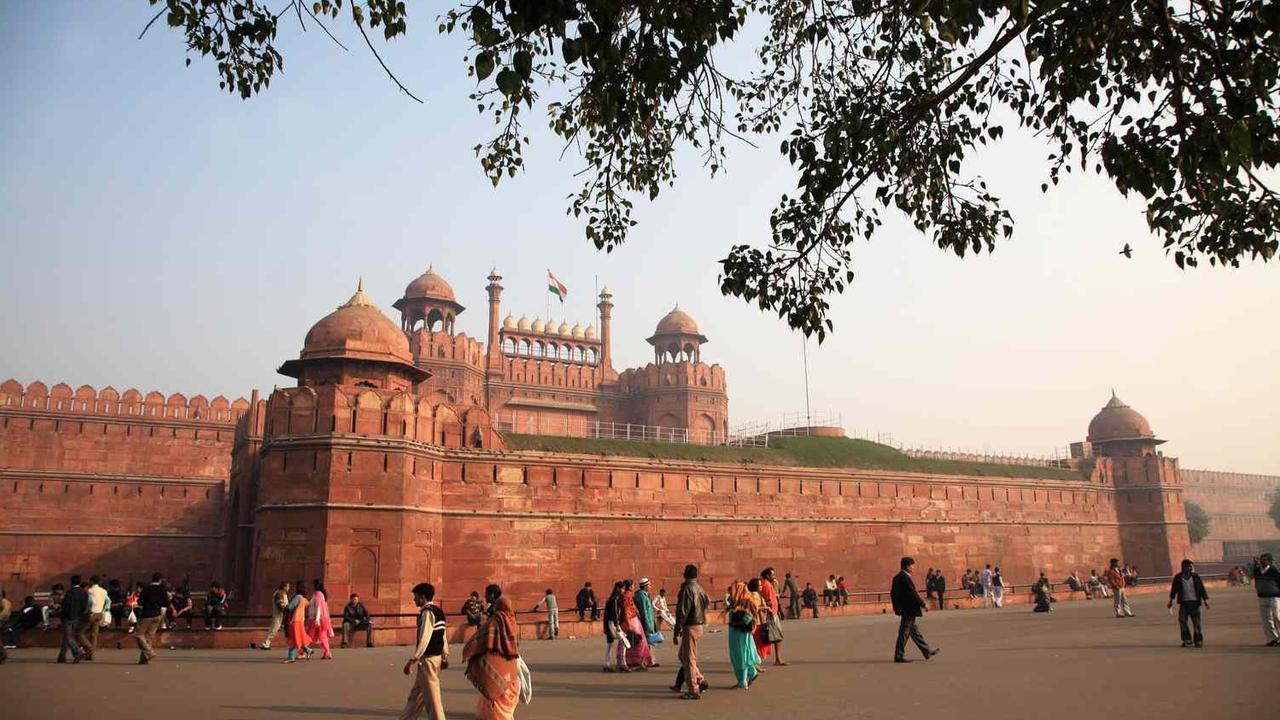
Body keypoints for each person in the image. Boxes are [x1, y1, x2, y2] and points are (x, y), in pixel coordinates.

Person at [462, 584, 523, 720]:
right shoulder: (512, 622)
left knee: (492, 686)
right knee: (507, 689)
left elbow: (479, 639)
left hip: (495, 660)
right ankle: (506, 715)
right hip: (510, 660)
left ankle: (495, 715)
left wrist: (469, 651)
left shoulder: (495, 622)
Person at [401, 582, 448, 720]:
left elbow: (425, 638)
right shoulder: (438, 611)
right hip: (434, 658)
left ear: (422, 597)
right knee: (416, 696)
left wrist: (413, 660)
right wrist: (445, 655)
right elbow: (442, 635)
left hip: (428, 660)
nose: (414, 599)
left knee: (433, 699)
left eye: (415, 597)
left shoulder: (427, 612)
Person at [891, 557, 937, 663]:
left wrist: (897, 607)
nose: (913, 567)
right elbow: (912, 593)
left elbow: (893, 594)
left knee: (914, 632)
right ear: (907, 566)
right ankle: (899, 655)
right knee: (904, 632)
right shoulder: (905, 578)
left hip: (905, 609)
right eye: (912, 565)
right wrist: (923, 604)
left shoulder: (897, 577)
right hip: (909, 609)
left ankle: (926, 651)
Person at [673, 564, 709, 700]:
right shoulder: (699, 588)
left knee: (689, 659)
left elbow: (682, 612)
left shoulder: (687, 589)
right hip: (698, 625)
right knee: (683, 656)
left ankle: (693, 689)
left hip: (690, 626)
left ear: (685, 574)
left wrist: (677, 631)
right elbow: (707, 601)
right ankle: (699, 679)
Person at [725, 581, 762, 689]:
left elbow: (748, 618)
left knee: (741, 656)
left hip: (740, 633)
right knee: (740, 655)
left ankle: (742, 681)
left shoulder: (746, 602)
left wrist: (736, 623)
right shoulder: (737, 602)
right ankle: (751, 673)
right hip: (737, 633)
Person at [1167, 559, 1209, 647]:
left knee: (1196, 623)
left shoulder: (1195, 576)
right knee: (1182, 621)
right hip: (1184, 603)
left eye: (1191, 566)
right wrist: (1171, 600)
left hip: (1195, 603)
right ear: (1184, 567)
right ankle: (1187, 639)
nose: (1191, 568)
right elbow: (1174, 590)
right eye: (1189, 566)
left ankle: (1198, 640)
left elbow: (1201, 589)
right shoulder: (1178, 577)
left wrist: (1205, 601)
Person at [134, 572, 168, 665]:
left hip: (147, 614)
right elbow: (165, 603)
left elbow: (140, 601)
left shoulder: (147, 588)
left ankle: (149, 652)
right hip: (157, 615)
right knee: (149, 637)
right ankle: (144, 659)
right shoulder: (163, 589)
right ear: (160, 580)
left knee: (138, 634)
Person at [621, 579, 653, 668]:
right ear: (630, 586)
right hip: (632, 620)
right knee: (638, 641)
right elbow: (627, 611)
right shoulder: (627, 596)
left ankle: (636, 661)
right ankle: (638, 661)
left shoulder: (629, 595)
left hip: (633, 620)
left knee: (635, 641)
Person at [57, 575, 89, 663]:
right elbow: (85, 606)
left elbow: (65, 606)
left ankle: (77, 652)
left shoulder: (70, 592)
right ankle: (61, 656)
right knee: (67, 636)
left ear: (71, 582)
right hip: (78, 617)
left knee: (68, 636)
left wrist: (62, 615)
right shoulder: (84, 592)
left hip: (69, 617)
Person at [758, 568, 786, 664]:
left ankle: (777, 658)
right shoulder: (767, 585)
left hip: (771, 612)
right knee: (776, 636)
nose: (774, 576)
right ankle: (778, 659)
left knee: (773, 636)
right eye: (772, 574)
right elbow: (768, 601)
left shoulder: (765, 584)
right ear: (767, 576)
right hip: (771, 614)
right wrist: (771, 612)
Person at [1253, 552, 1280, 646]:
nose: (1263, 561)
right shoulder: (1257, 570)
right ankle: (1272, 639)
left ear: (1269, 561)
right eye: (1262, 560)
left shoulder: (1274, 570)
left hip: (1274, 597)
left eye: (1265, 560)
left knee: (1277, 617)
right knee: (1266, 620)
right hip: (1262, 597)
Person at [284, 579, 314, 663]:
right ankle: (308, 650)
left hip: (295, 620)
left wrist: (284, 606)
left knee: (293, 638)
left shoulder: (298, 597)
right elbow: (308, 604)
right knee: (298, 638)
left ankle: (291, 657)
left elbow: (290, 607)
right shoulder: (304, 599)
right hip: (301, 620)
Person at [601, 581, 628, 672]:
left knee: (610, 643)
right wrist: (617, 625)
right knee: (624, 640)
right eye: (623, 588)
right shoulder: (615, 599)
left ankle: (606, 664)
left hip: (610, 623)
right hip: (613, 623)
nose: (624, 590)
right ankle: (623, 663)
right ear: (618, 588)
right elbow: (615, 613)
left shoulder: (615, 598)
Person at [82, 575, 109, 659]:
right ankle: (91, 655)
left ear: (92, 581)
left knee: (80, 633)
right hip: (99, 613)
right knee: (94, 634)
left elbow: (89, 602)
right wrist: (104, 610)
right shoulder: (104, 591)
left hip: (90, 613)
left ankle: (89, 649)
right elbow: (108, 601)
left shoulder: (89, 591)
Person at [307, 579, 335, 660]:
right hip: (320, 618)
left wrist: (317, 619)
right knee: (322, 636)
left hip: (318, 619)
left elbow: (319, 607)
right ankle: (327, 652)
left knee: (311, 635)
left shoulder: (318, 594)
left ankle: (304, 651)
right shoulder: (320, 594)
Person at [635, 578, 660, 658]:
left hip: (649, 623)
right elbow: (644, 613)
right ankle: (646, 660)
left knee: (649, 643)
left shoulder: (645, 596)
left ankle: (649, 660)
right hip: (646, 624)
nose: (650, 586)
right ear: (645, 586)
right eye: (649, 585)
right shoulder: (642, 597)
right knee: (646, 643)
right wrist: (648, 626)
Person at [262, 581, 290, 650]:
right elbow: (280, 605)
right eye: (288, 586)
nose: (288, 588)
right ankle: (266, 643)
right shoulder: (279, 594)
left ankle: (266, 643)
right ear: (284, 587)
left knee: (274, 629)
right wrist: (286, 609)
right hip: (279, 614)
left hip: (281, 615)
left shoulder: (281, 593)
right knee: (274, 629)